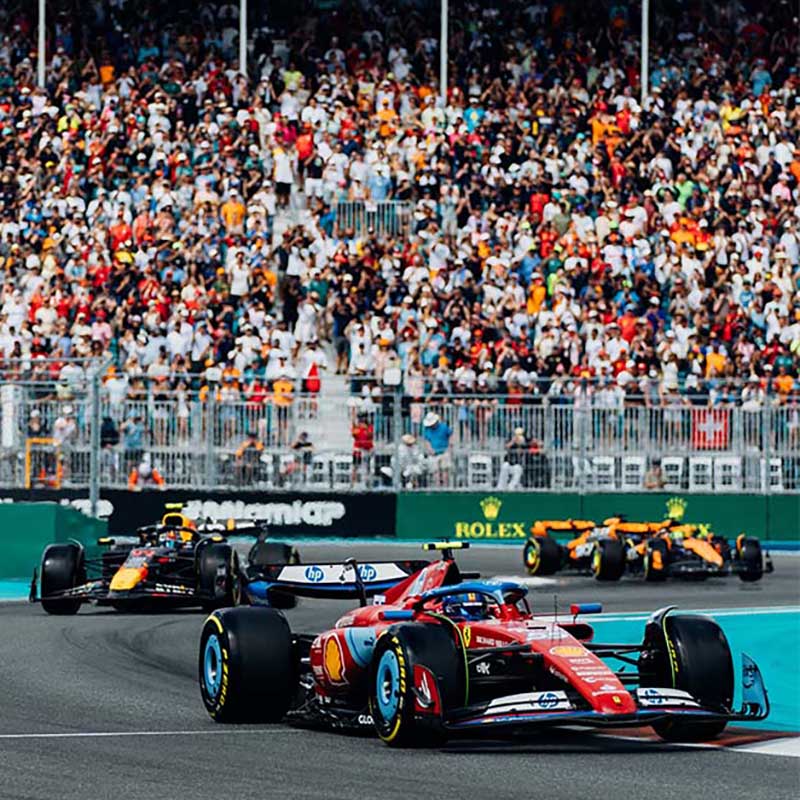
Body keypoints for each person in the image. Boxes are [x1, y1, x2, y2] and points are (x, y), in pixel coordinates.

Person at [422, 412, 452, 487]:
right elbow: (427, 440)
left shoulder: (444, 427)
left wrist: (449, 447)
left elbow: (451, 436)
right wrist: (429, 449)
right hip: (433, 454)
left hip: (444, 452)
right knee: (435, 471)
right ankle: (437, 486)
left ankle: (446, 487)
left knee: (445, 470)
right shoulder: (427, 429)